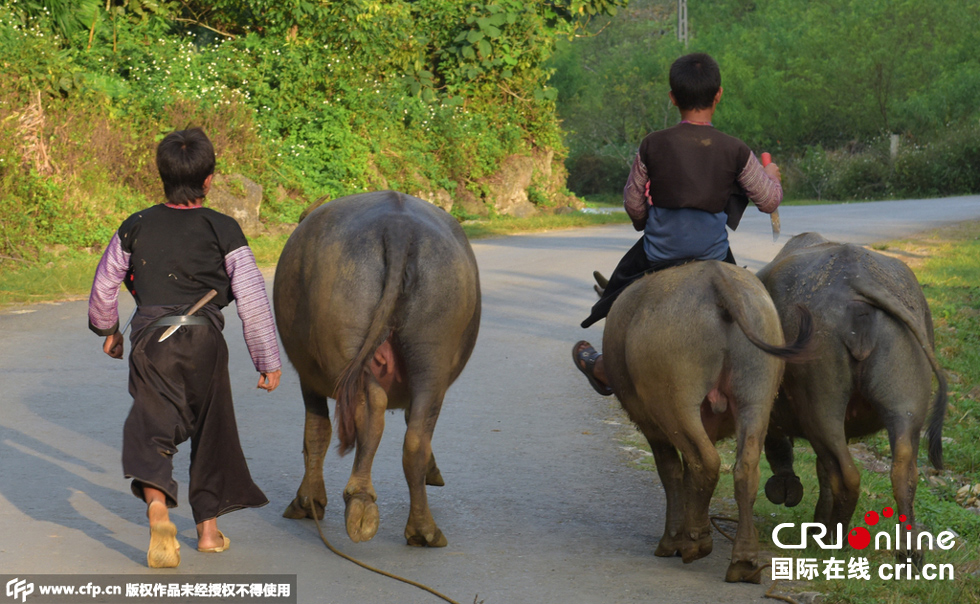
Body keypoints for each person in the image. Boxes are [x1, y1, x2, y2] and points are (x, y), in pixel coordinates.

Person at [88, 128, 282, 568]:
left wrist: (109, 330)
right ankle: (209, 534)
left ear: (160, 176)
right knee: (212, 430)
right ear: (209, 179)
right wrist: (267, 359)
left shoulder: (135, 225)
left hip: (151, 340)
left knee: (150, 427)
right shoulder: (224, 228)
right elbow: (251, 297)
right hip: (205, 340)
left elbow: (104, 287)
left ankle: (158, 510)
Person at [573, 52, 783, 395]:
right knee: (751, 302)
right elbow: (768, 201)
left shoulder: (652, 144)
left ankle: (605, 368)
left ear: (673, 98)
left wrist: (644, 222)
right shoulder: (735, 149)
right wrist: (771, 177)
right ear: (718, 95)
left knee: (618, 296)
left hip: (658, 255)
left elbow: (633, 202)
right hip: (713, 256)